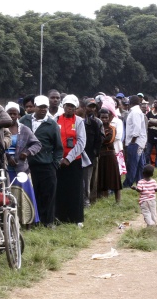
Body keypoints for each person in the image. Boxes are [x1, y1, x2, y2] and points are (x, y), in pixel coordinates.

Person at [19, 95, 63, 228]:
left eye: (45, 107)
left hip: (46, 164)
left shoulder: (52, 124)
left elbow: (58, 147)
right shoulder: (24, 120)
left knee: (48, 194)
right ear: (35, 107)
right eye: (40, 107)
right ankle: (32, 221)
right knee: (31, 193)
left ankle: (47, 221)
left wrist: (54, 163)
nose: (43, 109)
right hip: (28, 164)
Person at [4, 102, 42, 223]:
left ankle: (26, 221)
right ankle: (8, 221)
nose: (12, 116)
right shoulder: (0, 129)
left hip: (21, 168)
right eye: (9, 113)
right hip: (5, 168)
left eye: (15, 113)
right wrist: (7, 156)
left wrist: (27, 153)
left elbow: (37, 144)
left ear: (19, 115)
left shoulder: (24, 129)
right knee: (6, 194)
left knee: (24, 195)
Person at [55, 94, 88, 226]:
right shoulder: (56, 119)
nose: (69, 108)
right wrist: (59, 158)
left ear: (76, 108)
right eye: (67, 105)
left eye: (72, 106)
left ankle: (77, 218)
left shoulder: (79, 121)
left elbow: (81, 142)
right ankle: (60, 217)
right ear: (63, 106)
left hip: (74, 161)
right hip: (58, 161)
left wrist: (69, 158)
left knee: (75, 189)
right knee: (60, 189)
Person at [97, 108, 122, 203]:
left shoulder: (112, 128)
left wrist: (98, 140)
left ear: (109, 118)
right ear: (99, 118)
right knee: (101, 179)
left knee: (115, 179)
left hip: (110, 155)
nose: (104, 119)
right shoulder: (97, 128)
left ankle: (118, 201)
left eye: (106, 117)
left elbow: (109, 139)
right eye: (102, 117)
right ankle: (102, 201)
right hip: (100, 156)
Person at [82, 98, 103, 207]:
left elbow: (100, 139)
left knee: (89, 179)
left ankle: (87, 201)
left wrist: (95, 152)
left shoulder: (97, 122)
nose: (91, 108)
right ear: (84, 107)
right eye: (89, 106)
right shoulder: (79, 120)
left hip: (90, 155)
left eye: (93, 106)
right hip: (77, 154)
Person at [123, 95, 148, 188]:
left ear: (130, 102)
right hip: (138, 142)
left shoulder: (135, 112)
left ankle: (127, 184)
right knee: (140, 165)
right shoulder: (136, 111)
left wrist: (132, 142)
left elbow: (136, 128)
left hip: (135, 142)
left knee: (132, 164)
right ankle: (140, 183)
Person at [145, 99, 157, 168]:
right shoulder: (149, 113)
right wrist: (156, 123)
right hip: (150, 136)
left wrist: (151, 122)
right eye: (154, 102)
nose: (155, 103)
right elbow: (146, 122)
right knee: (147, 153)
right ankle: (147, 165)